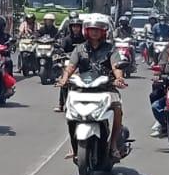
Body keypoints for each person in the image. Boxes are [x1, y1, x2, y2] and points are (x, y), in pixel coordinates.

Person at [58, 12, 127, 161]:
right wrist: (64, 78)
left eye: (98, 28)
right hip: (82, 88)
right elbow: (70, 67)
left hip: (106, 88)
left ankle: (113, 144)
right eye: (92, 29)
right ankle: (73, 144)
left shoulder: (111, 49)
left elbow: (116, 66)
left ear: (104, 31)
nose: (95, 31)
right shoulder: (79, 49)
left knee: (117, 108)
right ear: (86, 30)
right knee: (69, 111)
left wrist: (119, 78)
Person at [54, 14, 87, 112]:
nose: (75, 29)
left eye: (77, 26)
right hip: (69, 63)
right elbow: (61, 49)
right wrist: (60, 52)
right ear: (71, 28)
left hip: (81, 64)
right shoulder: (67, 39)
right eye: (74, 26)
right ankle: (61, 105)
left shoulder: (85, 39)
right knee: (64, 81)